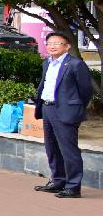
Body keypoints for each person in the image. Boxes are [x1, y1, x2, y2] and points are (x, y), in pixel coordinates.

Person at [34, 31, 95, 199]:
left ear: (67, 46)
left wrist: (74, 106)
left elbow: (85, 90)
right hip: (48, 109)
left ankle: (73, 186)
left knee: (69, 150)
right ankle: (58, 180)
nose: (52, 46)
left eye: (57, 43)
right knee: (52, 148)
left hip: (66, 111)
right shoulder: (47, 63)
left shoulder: (75, 64)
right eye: (49, 43)